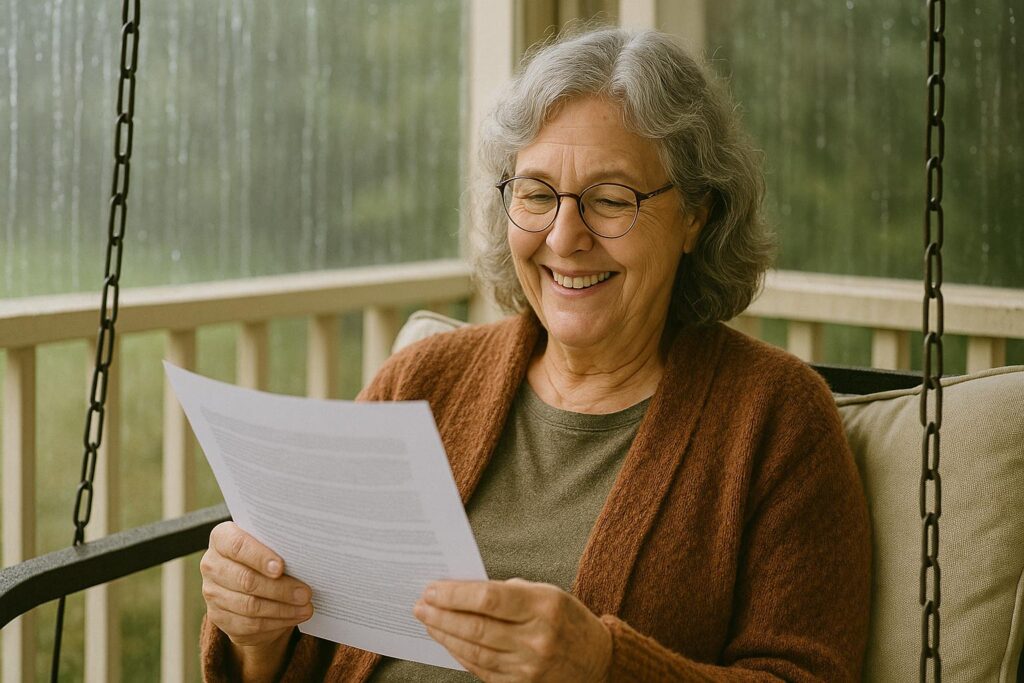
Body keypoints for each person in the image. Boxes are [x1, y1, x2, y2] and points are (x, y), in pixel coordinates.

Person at [199, 27, 871, 682]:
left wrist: (606, 666)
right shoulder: (420, 380)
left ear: (697, 215)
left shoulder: (776, 417)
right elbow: (308, 649)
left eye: (611, 199)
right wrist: (254, 634)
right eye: (537, 194)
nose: (564, 235)